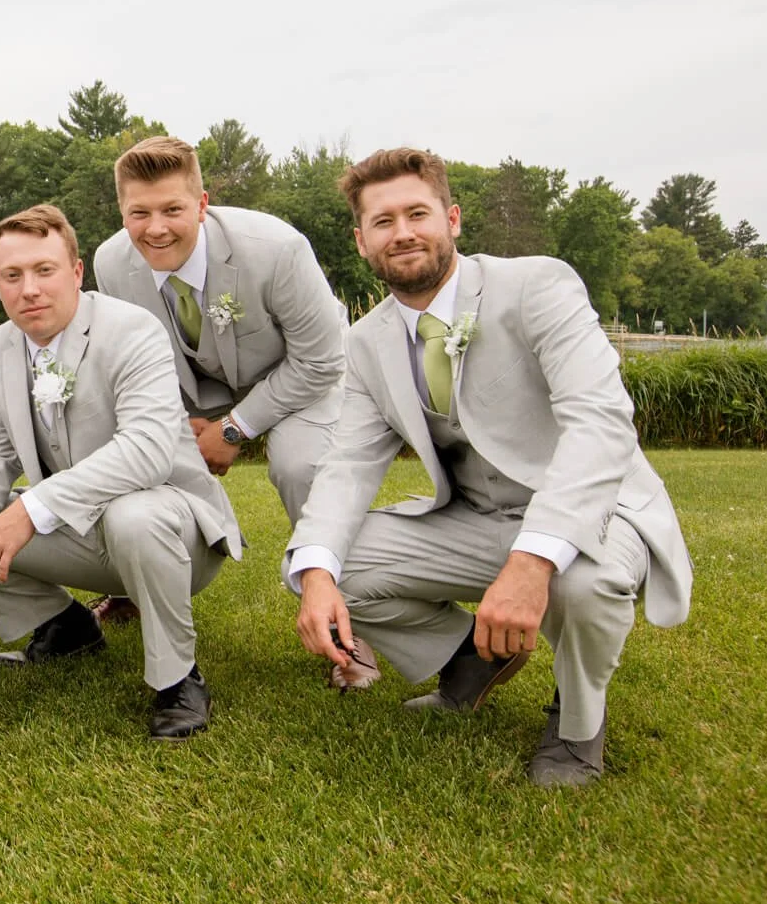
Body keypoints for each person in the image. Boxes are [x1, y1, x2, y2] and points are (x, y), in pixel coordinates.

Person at [286, 147, 693, 786]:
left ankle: (577, 724)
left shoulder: (537, 285)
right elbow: (347, 465)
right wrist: (313, 570)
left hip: (597, 511)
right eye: (383, 222)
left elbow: (600, 422)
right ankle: (469, 660)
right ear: (360, 239)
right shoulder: (366, 341)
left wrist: (533, 564)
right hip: (476, 516)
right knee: (334, 565)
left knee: (578, 586)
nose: (403, 233)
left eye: (417, 213)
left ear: (452, 218)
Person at [0, 205, 242, 740]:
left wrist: (29, 509)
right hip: (82, 534)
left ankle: (177, 678)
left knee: (134, 515)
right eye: (11, 276)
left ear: (76, 271)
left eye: (44, 270)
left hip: (175, 533)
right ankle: (65, 628)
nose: (28, 290)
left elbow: (148, 452)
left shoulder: (134, 330)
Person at [92, 137, 352, 661]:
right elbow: (131, 354)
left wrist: (234, 429)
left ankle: (346, 617)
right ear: (122, 211)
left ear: (203, 204)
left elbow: (321, 361)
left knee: (301, 468)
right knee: (123, 446)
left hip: (298, 378)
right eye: (138, 213)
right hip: (193, 392)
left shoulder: (277, 249)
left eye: (172, 209)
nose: (156, 228)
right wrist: (167, 421)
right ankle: (131, 589)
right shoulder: (111, 263)